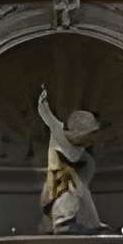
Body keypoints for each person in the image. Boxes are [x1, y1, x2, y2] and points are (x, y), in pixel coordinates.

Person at [37, 88, 103, 232]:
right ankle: (62, 222)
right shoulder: (58, 130)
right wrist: (43, 100)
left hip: (73, 173)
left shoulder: (83, 150)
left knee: (82, 192)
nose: (90, 141)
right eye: (88, 136)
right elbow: (46, 115)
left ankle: (90, 223)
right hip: (58, 174)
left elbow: (84, 165)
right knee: (68, 187)